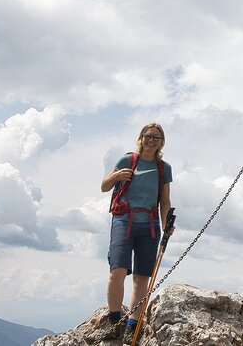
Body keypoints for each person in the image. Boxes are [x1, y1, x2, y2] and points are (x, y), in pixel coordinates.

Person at [101, 123, 173, 342]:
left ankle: (133, 325)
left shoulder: (163, 168)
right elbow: (104, 187)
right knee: (118, 271)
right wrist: (115, 177)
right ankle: (114, 320)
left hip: (150, 224)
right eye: (148, 136)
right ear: (141, 138)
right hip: (124, 220)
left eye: (157, 137)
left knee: (142, 277)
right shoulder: (127, 160)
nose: (152, 140)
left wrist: (167, 225)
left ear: (162, 142)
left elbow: (165, 201)